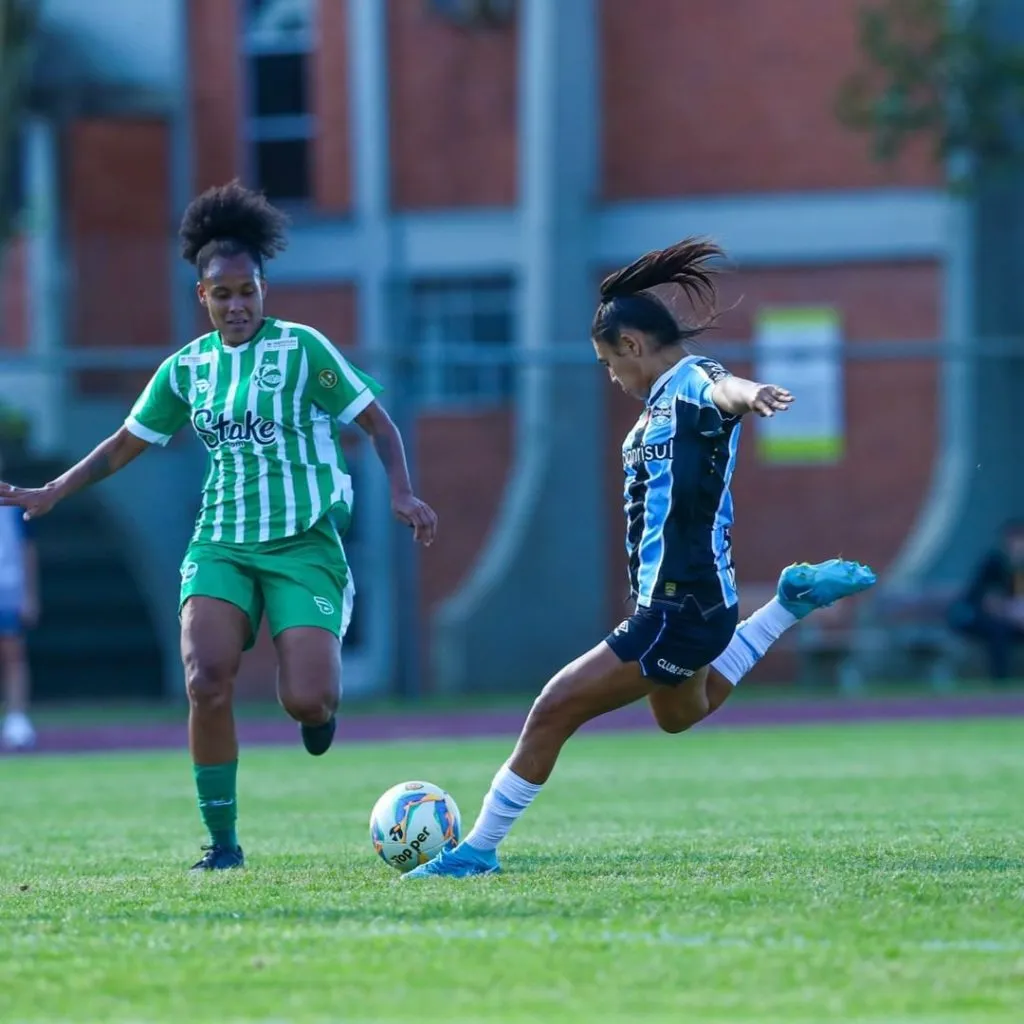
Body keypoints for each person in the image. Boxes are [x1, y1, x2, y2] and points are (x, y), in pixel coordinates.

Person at [403, 238, 875, 880]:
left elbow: (724, 389)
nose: (611, 376)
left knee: (554, 706)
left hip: (679, 607)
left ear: (630, 345)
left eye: (607, 361)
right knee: (682, 712)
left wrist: (752, 391)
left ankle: (477, 851)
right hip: (692, 605)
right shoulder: (657, 406)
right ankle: (787, 606)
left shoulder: (691, 382)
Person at [0, 180, 437, 868]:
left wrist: (404, 494)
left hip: (303, 544)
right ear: (201, 297)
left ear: (264, 290)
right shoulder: (187, 370)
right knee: (206, 678)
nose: (237, 305)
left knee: (306, 698)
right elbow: (123, 443)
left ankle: (320, 714)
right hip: (222, 545)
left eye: (248, 291)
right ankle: (224, 843)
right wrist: (54, 490)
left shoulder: (302, 349)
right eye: (222, 294)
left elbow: (376, 423)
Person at [947, 519, 1024, 680]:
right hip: (989, 618)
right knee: (999, 631)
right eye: (1013, 540)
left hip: (1016, 620)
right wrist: (1007, 609)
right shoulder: (993, 564)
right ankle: (1001, 679)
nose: (1017, 545)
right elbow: (983, 598)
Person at [0, 470, 39, 751]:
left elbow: (27, 549)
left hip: (8, 588)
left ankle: (16, 718)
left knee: (13, 653)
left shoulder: (12, 502)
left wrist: (30, 594)